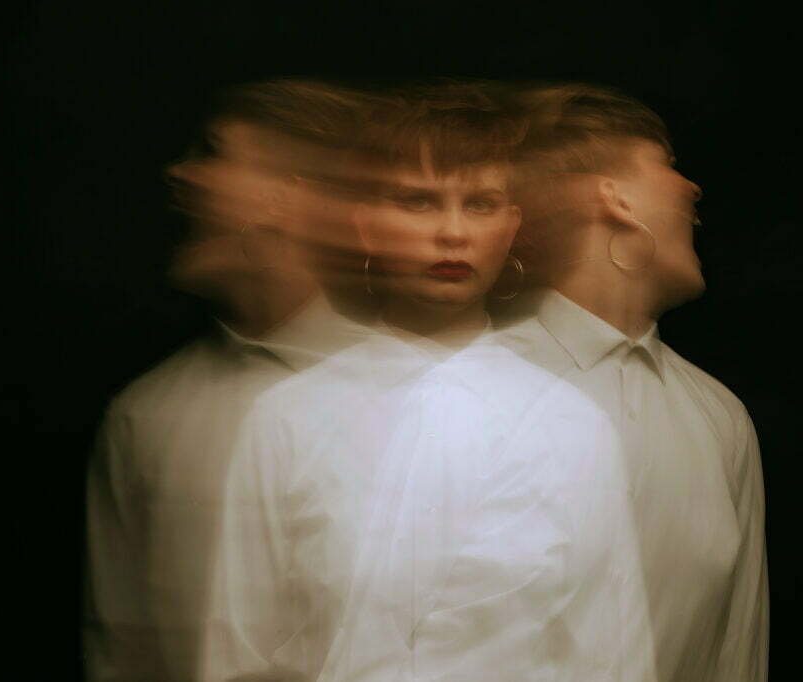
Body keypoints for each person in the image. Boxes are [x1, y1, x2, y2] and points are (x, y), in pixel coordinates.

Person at [200, 81, 656, 681]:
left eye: (481, 204)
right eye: (418, 202)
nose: (452, 232)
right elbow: (237, 652)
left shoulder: (575, 426)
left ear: (511, 226)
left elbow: (614, 652)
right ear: (366, 223)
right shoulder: (287, 417)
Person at [83, 80, 375, 682]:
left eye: (213, 153)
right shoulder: (147, 414)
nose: (181, 175)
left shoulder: (436, 399)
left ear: (287, 197)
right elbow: (120, 656)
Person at [497, 82, 769, 682]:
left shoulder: (720, 417)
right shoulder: (463, 389)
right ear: (612, 195)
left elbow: (737, 655)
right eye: (667, 164)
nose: (692, 188)